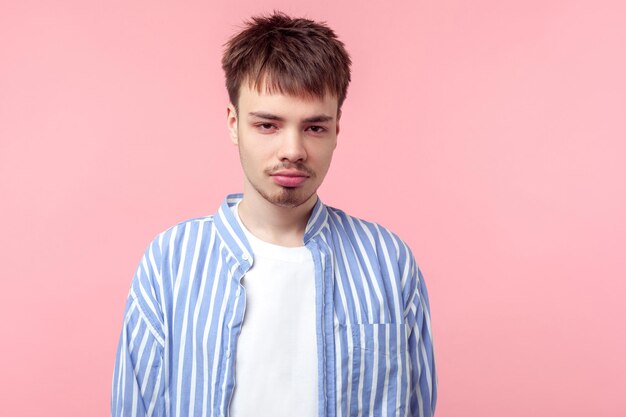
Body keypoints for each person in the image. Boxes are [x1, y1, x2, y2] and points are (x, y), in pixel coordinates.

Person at [111, 11, 437, 417]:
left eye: (314, 127)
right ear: (234, 123)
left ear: (337, 129)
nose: (293, 150)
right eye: (268, 125)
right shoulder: (170, 262)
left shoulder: (388, 261)